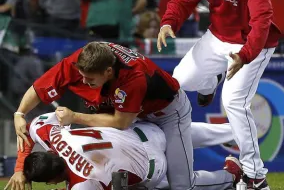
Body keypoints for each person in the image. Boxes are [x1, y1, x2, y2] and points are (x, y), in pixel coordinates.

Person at [157, 0, 280, 189]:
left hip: (251, 43)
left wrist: (245, 55)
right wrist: (169, 22)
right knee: (179, 82)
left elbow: (261, 23)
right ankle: (210, 80)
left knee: (234, 100)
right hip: (218, 36)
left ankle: (255, 175)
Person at [12, 41, 235, 190]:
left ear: (108, 72)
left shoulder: (133, 78)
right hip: (136, 128)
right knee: (161, 140)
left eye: (90, 79)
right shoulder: (83, 61)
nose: (84, 82)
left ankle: (234, 174)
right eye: (82, 76)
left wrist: (75, 117)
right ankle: (232, 132)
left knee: (181, 185)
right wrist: (20, 112)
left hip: (166, 112)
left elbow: (120, 121)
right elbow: (40, 90)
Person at [6, 112, 237, 190]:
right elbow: (29, 128)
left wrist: (21, 172)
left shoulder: (82, 182)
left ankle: (232, 175)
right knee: (186, 133)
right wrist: (21, 167)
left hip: (152, 166)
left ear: (51, 180)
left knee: (181, 185)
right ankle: (238, 130)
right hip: (145, 133)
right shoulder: (54, 135)